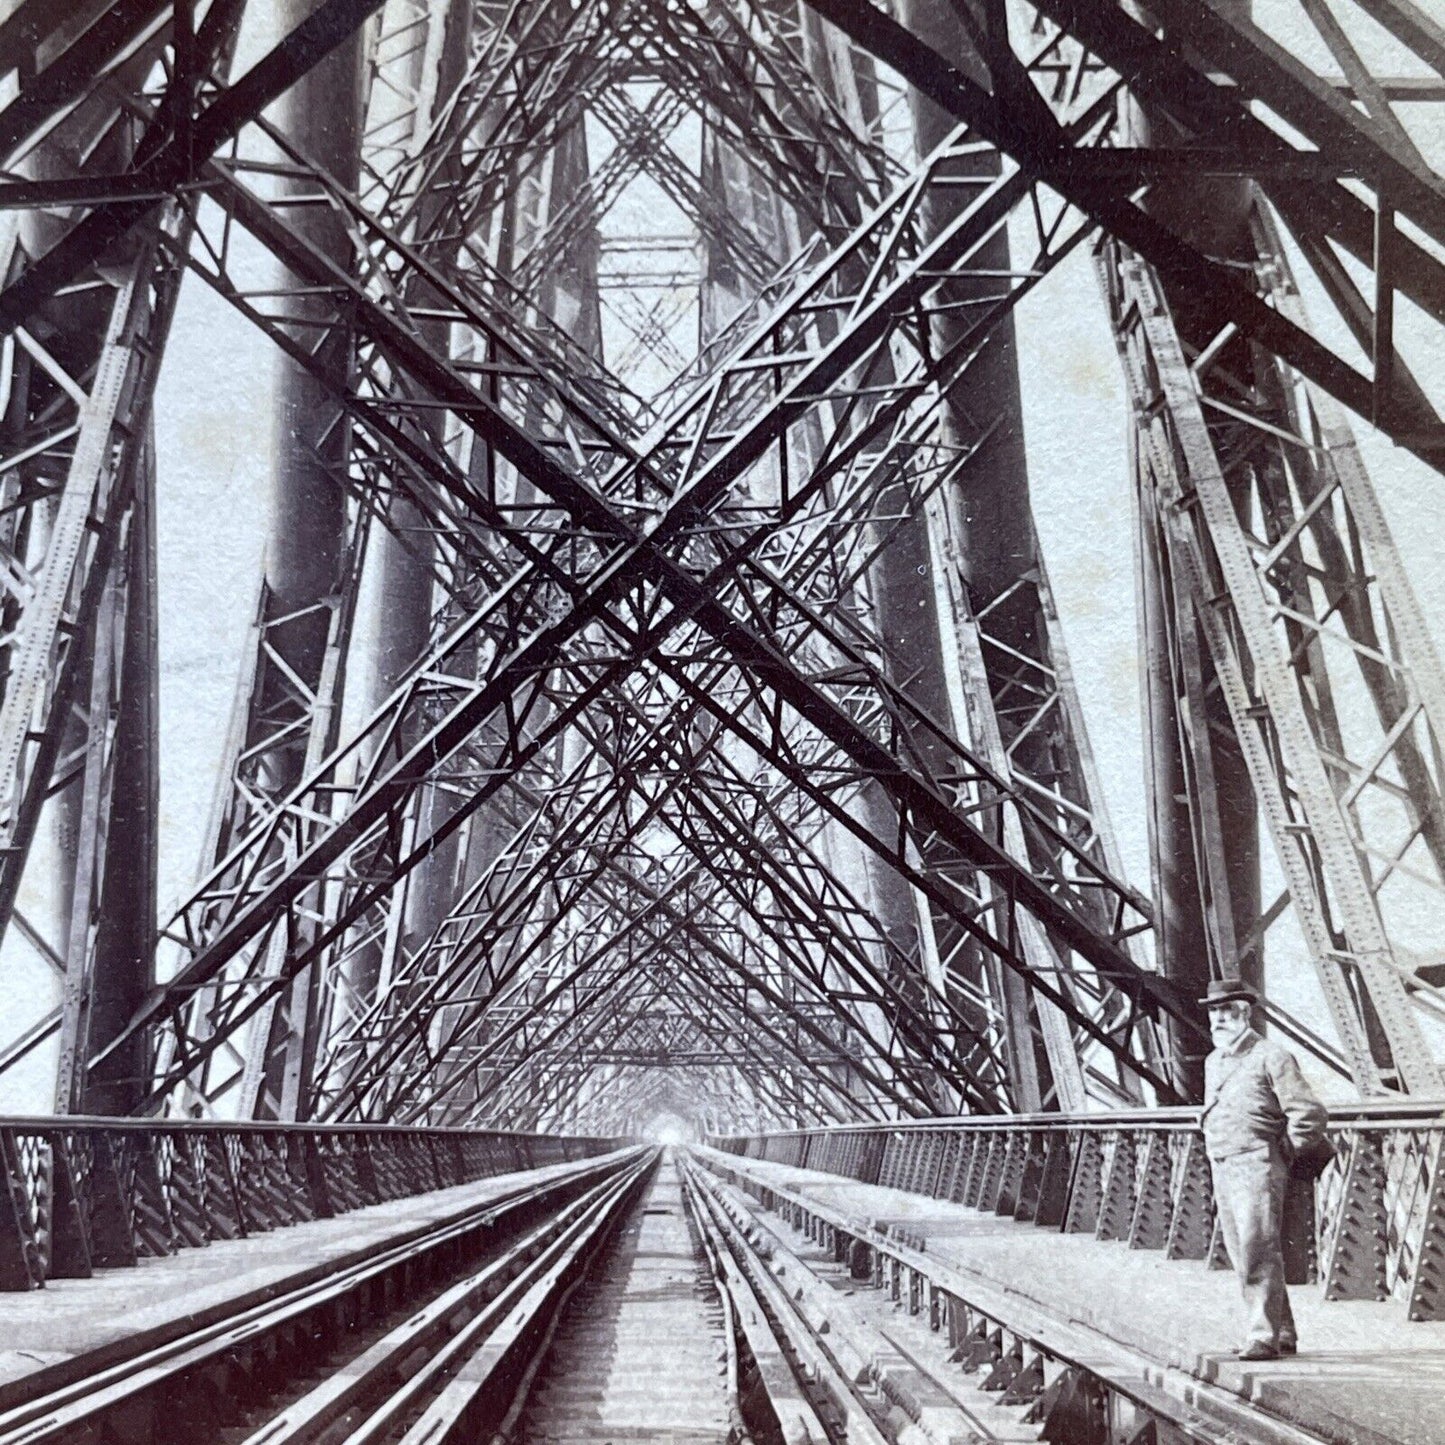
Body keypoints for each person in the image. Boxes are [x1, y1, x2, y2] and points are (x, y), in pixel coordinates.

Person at [1199, 976, 1328, 1361]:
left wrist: (1284, 1153)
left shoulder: (1272, 1055)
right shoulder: (1214, 1060)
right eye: (1214, 1012)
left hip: (1257, 1162)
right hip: (1223, 1160)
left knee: (1257, 1248)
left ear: (1245, 1013)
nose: (1219, 1019)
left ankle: (1262, 1337)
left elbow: (1308, 1113)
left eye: (1227, 1011)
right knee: (1244, 1250)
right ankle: (1282, 1330)